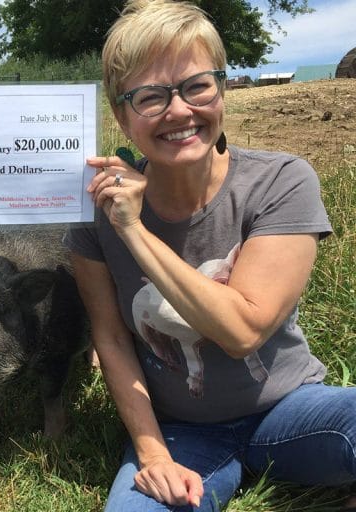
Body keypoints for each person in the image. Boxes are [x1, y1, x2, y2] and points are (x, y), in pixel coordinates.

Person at [65, 0, 356, 510]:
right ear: (121, 116)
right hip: (181, 433)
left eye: (196, 86)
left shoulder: (281, 181)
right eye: (150, 96)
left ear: (221, 89)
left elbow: (242, 331)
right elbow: (110, 338)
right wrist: (153, 454)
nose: (179, 110)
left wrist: (134, 230)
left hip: (291, 409)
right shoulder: (94, 210)